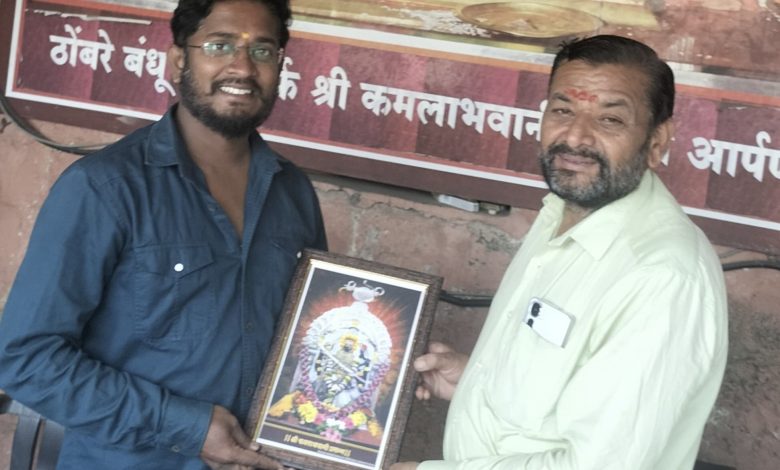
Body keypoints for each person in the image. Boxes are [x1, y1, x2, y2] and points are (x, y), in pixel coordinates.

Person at [0, 0, 326, 468]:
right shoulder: (105, 187)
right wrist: (185, 425)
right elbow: (25, 359)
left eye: (262, 50)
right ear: (177, 61)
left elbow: (314, 339)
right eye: (219, 45)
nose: (242, 67)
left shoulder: (293, 193)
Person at [392, 35, 728, 470]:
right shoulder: (562, 214)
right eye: (563, 110)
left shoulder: (662, 276)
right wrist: (475, 383)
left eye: (610, 119)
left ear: (657, 142)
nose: (575, 136)